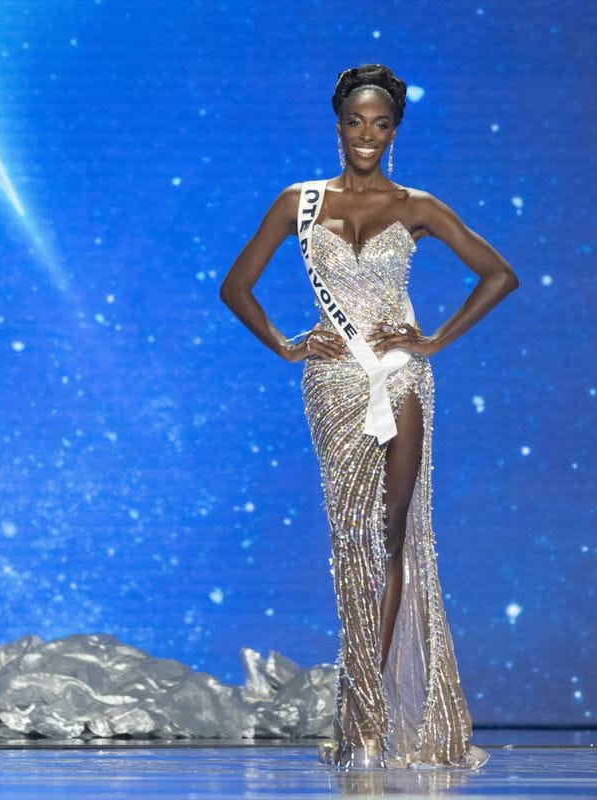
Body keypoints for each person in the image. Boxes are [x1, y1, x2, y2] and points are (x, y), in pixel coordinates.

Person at [219, 64, 518, 769]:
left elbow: (499, 273)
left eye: (381, 124)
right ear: (338, 126)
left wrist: (435, 338)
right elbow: (236, 286)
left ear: (395, 131)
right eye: (356, 122)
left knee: (392, 538)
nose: (367, 135)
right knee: (350, 543)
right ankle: (362, 715)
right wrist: (288, 344)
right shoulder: (301, 201)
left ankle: (375, 722)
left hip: (402, 378)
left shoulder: (415, 205)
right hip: (332, 383)